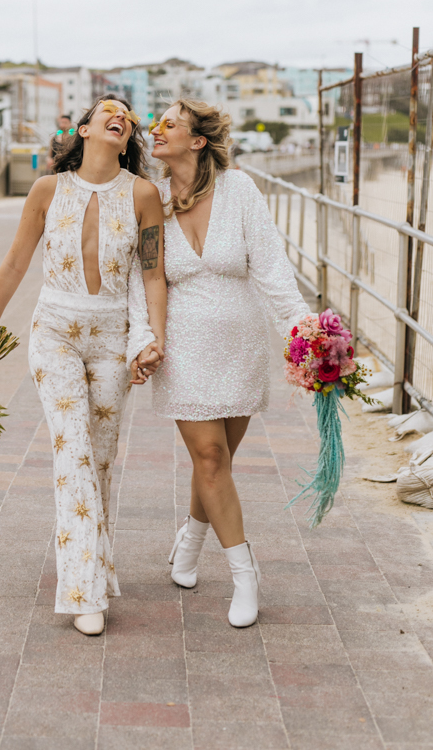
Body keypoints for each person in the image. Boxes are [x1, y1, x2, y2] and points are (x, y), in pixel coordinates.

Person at [0, 98, 166, 636]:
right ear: (83, 130)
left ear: (127, 138)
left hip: (111, 339)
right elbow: (15, 261)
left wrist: (154, 339)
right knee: (74, 449)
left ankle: (92, 568)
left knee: (100, 459)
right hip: (54, 332)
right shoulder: (46, 190)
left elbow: (152, 275)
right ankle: (82, 590)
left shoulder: (144, 195)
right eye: (108, 110)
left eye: (126, 116)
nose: (119, 116)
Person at [146, 99, 310, 627]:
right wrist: (142, 341)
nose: (156, 130)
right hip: (183, 347)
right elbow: (138, 280)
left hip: (240, 343)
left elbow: (272, 269)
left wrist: (305, 334)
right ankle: (245, 575)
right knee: (211, 456)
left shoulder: (239, 190)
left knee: (214, 462)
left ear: (197, 140)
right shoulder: (147, 199)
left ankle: (190, 542)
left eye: (168, 123)